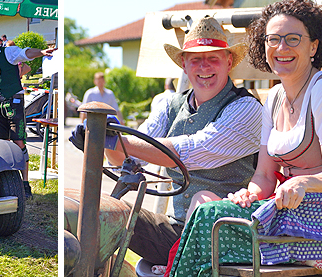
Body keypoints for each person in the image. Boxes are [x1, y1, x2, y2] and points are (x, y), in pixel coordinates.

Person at [168, 1, 322, 275]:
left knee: (210, 218)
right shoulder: (273, 98)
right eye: (273, 39)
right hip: (289, 212)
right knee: (209, 205)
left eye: (293, 39)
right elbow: (264, 174)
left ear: (313, 47)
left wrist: (302, 183)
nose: (281, 48)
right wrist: (248, 194)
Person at [69, 16, 262, 267]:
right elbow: (124, 159)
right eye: (196, 59)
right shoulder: (171, 105)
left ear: (228, 61)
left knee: (203, 201)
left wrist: (110, 139)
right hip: (177, 229)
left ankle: (180, 267)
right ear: (184, 64)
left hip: (229, 234)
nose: (204, 67)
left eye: (213, 57)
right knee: (93, 214)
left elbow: (191, 152)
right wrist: (105, 140)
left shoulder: (245, 109)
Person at [0, 26, 56, 197]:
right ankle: (4, 183)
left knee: (19, 143)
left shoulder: (8, 52)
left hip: (14, 103)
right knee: (1, 145)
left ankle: (25, 183)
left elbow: (25, 53)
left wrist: (42, 51)